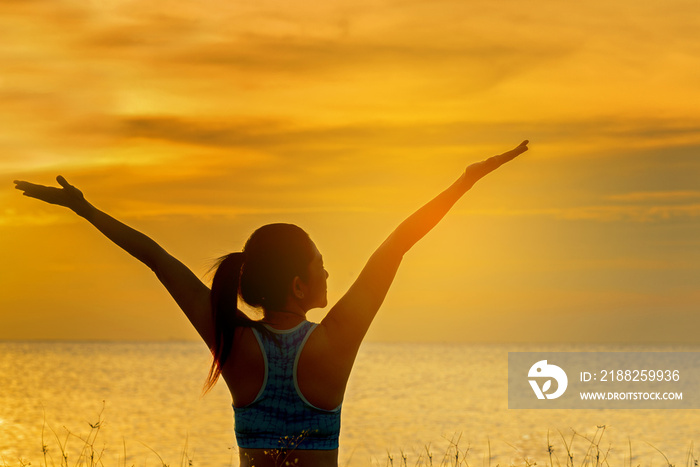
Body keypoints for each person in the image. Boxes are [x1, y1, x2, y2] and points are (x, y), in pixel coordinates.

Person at [14, 140, 528, 467]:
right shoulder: (334, 343)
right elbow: (398, 245)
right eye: (319, 265)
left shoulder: (235, 343)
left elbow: (155, 257)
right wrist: (465, 181)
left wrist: (83, 210)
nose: (329, 272)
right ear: (298, 287)